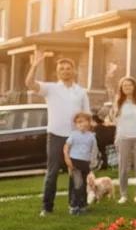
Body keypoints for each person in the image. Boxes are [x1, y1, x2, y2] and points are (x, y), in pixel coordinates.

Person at [26, 51, 90, 217]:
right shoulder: (51, 89)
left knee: (75, 172)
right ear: (58, 72)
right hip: (55, 136)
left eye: (68, 68)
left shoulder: (81, 92)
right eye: (62, 68)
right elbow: (29, 83)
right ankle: (47, 207)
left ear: (73, 71)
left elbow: (87, 116)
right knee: (52, 172)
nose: (65, 71)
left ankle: (75, 205)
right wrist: (35, 65)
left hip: (75, 138)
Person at [112, 76, 136, 204]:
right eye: (124, 85)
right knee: (123, 168)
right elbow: (115, 120)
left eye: (130, 85)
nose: (127, 87)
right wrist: (117, 137)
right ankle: (123, 194)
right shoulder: (118, 101)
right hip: (123, 137)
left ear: (134, 87)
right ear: (121, 88)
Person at [63, 111, 99, 215]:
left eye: (82, 121)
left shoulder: (91, 136)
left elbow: (94, 151)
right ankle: (74, 206)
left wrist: (92, 164)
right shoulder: (73, 135)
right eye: (78, 123)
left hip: (85, 163)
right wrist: (68, 160)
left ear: (88, 122)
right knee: (77, 184)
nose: (80, 124)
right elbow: (66, 147)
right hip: (75, 162)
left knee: (83, 185)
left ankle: (82, 205)